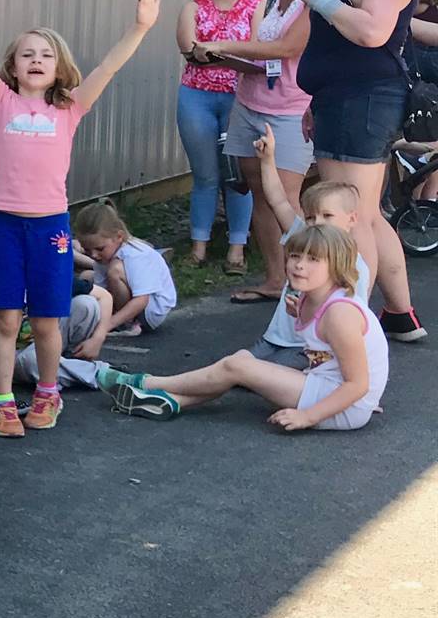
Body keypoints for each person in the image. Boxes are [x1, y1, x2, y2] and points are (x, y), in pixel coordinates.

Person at [0, 0, 162, 438]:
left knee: (48, 322)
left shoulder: (69, 108)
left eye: (45, 54)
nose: (35, 59)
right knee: (5, 318)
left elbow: (108, 66)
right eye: (26, 53)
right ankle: (3, 402)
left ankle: (48, 393)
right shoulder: (1, 101)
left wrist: (141, 27)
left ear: (59, 65)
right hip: (5, 226)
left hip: (50, 228)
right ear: (13, 65)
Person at [289, 0, 424, 341]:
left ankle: (352, 326)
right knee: (367, 214)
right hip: (343, 100)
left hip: (364, 101)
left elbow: (372, 33)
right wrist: (315, 99)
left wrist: (324, 1)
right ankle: (400, 315)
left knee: (352, 216)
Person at [96, 225, 386, 431]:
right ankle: (172, 401)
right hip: (330, 390)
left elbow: (358, 384)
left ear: (336, 267)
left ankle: (143, 382)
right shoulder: (311, 298)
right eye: (296, 256)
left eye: (313, 259)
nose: (299, 266)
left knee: (238, 367)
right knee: (241, 364)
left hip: (342, 402)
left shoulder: (339, 314)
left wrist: (308, 417)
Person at [220, 0, 333, 304]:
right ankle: (274, 279)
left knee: (286, 198)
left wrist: (223, 47)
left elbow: (288, 49)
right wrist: (225, 59)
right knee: (259, 195)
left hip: (290, 108)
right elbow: (266, 52)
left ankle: (310, 284)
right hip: (250, 102)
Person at [245, 123, 371, 369]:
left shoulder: (353, 266)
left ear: (351, 219)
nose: (317, 223)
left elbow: (358, 325)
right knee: (236, 366)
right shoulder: (302, 234)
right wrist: (268, 159)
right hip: (273, 339)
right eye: (311, 217)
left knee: (249, 374)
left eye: (327, 216)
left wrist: (358, 384)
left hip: (306, 348)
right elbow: (278, 200)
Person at [174, 0, 263, 271]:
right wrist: (227, 52)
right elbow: (189, 48)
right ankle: (198, 247)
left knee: (238, 176)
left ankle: (237, 248)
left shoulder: (257, 5)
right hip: (196, 96)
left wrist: (212, 49)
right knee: (205, 175)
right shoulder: (193, 7)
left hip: (240, 99)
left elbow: (256, 50)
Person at [72, 201, 177, 335]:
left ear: (119, 237)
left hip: (150, 310)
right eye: (87, 250)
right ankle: (117, 317)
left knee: (115, 271)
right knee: (86, 276)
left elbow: (141, 300)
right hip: (135, 300)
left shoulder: (134, 255)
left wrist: (106, 325)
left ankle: (127, 323)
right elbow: (102, 291)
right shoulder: (104, 254)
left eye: (99, 249)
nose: (93, 255)